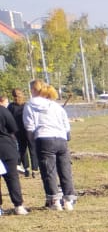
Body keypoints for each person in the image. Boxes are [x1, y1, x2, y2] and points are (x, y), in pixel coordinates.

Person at [23, 81, 76, 211]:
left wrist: (32, 144)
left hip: (44, 138)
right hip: (61, 138)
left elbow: (29, 126)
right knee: (65, 170)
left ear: (33, 90)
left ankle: (54, 201)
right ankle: (69, 200)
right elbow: (66, 124)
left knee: (49, 171)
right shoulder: (55, 106)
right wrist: (66, 136)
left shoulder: (30, 105)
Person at [0, 95, 29, 214]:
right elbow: (13, 127)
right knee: (12, 177)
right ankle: (18, 205)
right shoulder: (3, 110)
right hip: (6, 146)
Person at [8, 88, 35, 177]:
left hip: (22, 130)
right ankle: (32, 168)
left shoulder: (13, 106)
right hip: (24, 130)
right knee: (28, 148)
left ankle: (29, 168)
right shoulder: (25, 105)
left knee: (24, 148)